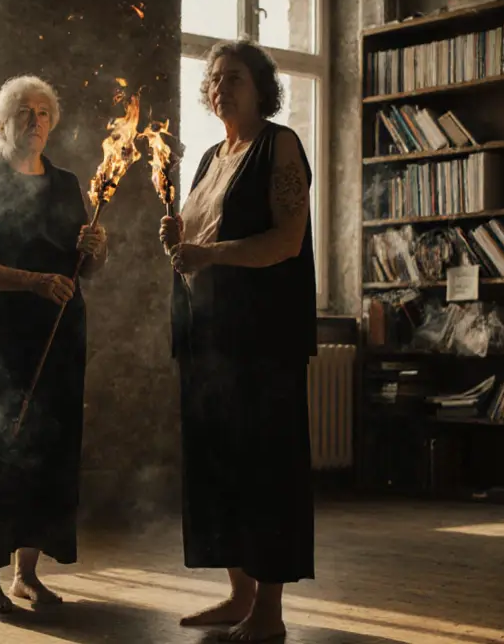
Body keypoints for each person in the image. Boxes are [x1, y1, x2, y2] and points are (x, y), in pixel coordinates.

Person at [159, 38, 317, 643]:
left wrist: (206, 253)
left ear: (262, 88)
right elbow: (195, 251)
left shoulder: (280, 145)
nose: (222, 88)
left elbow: (286, 242)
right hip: (205, 337)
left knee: (265, 467)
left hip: (261, 339)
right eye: (215, 79)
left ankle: (269, 611)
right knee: (216, 465)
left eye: (235, 78)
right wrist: (180, 238)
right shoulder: (207, 158)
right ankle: (237, 595)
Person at [0, 75, 108, 614]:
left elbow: (90, 269)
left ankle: (26, 575)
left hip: (56, 334)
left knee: (46, 452)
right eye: (23, 111)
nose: (34, 120)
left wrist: (96, 248)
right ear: (1, 122)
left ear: (52, 123)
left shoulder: (69, 186)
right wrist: (32, 281)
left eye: (43, 112)